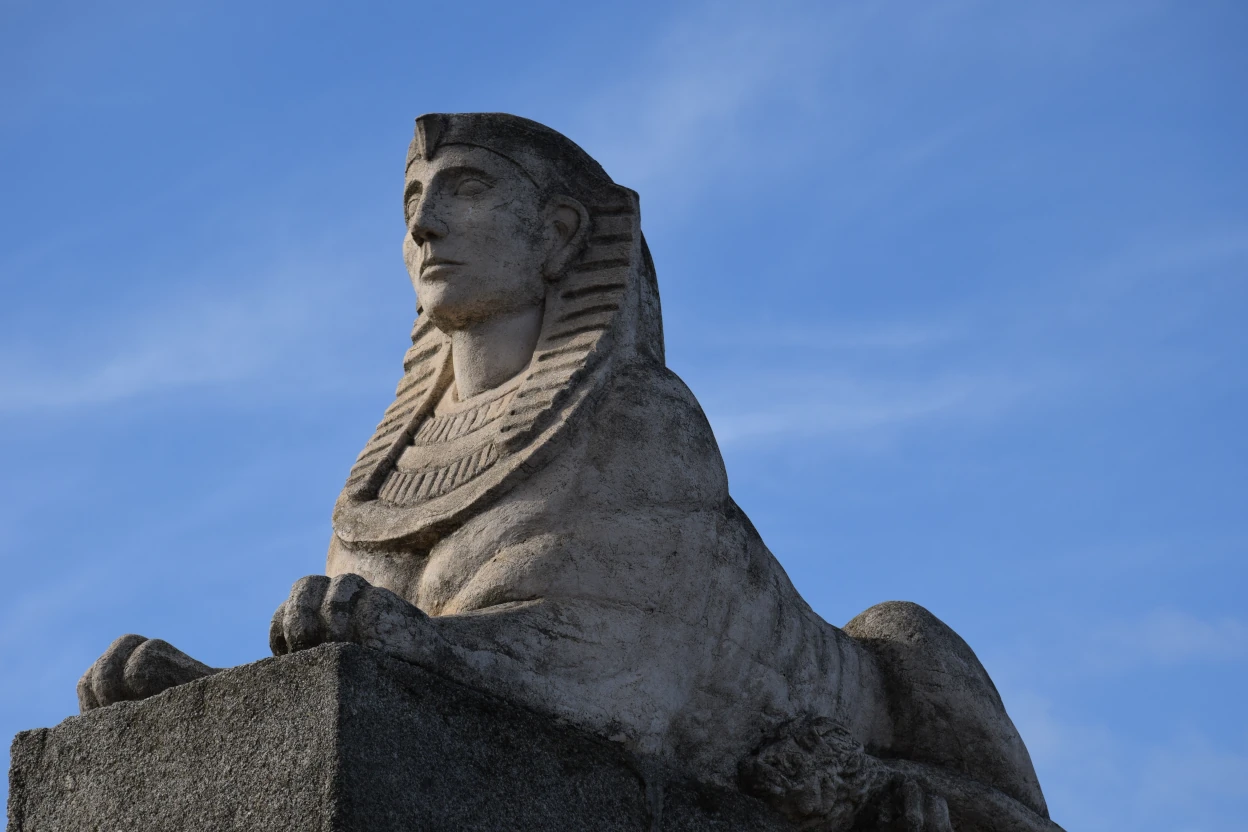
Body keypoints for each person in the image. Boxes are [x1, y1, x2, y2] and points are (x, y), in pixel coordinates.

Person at [80, 113, 1053, 831]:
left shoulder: (641, 424)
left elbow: (610, 692)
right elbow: (380, 664)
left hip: (831, 714)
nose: (423, 227)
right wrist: (225, 693)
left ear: (556, 235)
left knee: (902, 627)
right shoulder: (387, 474)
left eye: (462, 189)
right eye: (413, 200)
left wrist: (402, 644)